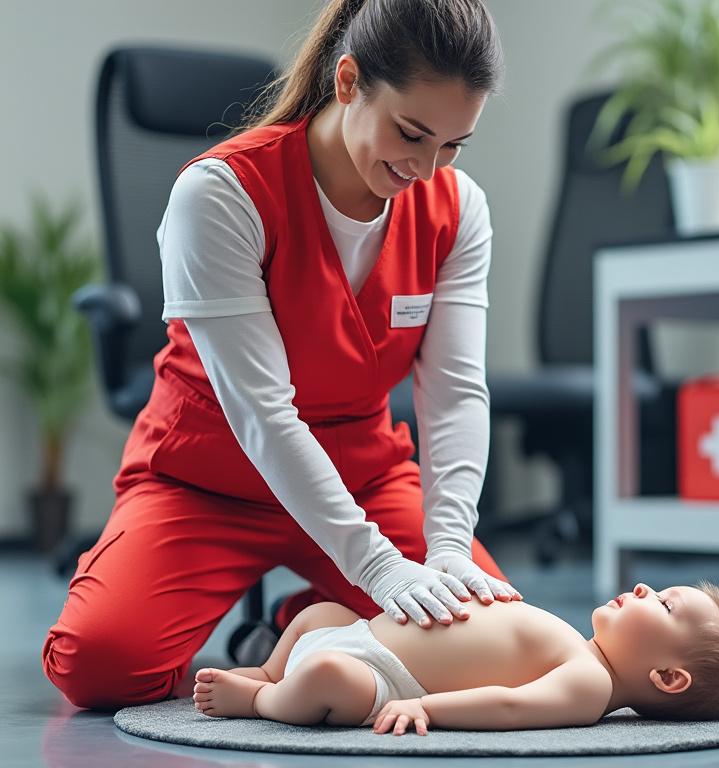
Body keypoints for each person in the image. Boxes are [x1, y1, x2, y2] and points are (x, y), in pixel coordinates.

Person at [42, 0, 522, 711]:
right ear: (350, 81)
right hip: (207, 482)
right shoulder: (221, 194)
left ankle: (299, 623)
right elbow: (262, 412)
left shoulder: (458, 210)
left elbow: (454, 394)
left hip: (362, 474)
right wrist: (382, 572)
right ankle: (334, 603)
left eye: (453, 145)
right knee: (100, 668)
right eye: (412, 133)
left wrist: (447, 546)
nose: (426, 168)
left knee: (492, 645)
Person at [190, 580, 719, 732]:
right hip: (366, 631)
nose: (648, 589)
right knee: (321, 614)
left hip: (381, 678)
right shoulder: (582, 648)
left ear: (667, 677)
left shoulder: (589, 685)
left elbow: (508, 706)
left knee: (326, 676)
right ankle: (269, 666)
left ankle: (263, 698)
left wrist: (431, 709)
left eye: (667, 606)